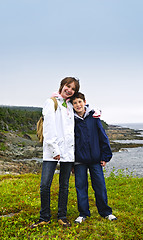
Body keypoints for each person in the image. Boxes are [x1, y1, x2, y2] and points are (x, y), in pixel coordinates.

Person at [30, 77, 80, 228]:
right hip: (52, 151)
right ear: (62, 86)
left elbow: (73, 128)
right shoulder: (51, 102)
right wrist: (54, 149)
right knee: (45, 185)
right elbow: (49, 128)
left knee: (64, 185)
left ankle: (62, 216)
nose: (69, 90)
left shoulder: (70, 106)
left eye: (73, 88)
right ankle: (44, 216)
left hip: (68, 153)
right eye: (68, 86)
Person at [71, 92, 117, 223]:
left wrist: (105, 156)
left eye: (80, 102)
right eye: (75, 103)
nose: (78, 105)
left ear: (84, 102)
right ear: (72, 105)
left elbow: (103, 137)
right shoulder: (71, 120)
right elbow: (71, 141)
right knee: (80, 187)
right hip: (79, 160)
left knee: (100, 186)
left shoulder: (94, 117)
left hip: (95, 159)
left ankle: (106, 212)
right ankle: (83, 214)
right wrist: (72, 163)